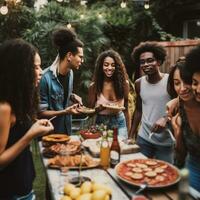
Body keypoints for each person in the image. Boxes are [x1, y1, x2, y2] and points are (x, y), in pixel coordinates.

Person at [0, 38, 54, 199]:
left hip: (24, 187)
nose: (41, 71)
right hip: (10, 192)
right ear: (19, 70)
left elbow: (15, 131)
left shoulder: (17, 100)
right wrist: (31, 134)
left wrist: (35, 124)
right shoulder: (4, 107)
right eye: (35, 67)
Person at [129, 41, 174, 163]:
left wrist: (166, 119)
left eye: (150, 60)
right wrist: (131, 135)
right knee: (139, 171)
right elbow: (138, 109)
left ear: (158, 61)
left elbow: (180, 106)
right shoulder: (139, 83)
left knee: (165, 177)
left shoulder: (170, 81)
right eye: (142, 62)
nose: (146, 64)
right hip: (144, 138)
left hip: (166, 141)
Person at [39, 27, 84, 135]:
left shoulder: (70, 73)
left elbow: (61, 96)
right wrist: (65, 112)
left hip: (66, 131)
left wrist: (72, 96)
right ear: (69, 56)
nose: (82, 61)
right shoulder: (45, 78)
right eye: (80, 57)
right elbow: (40, 113)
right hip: (50, 135)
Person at [88, 49, 130, 139]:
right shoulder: (94, 86)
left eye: (113, 65)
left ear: (117, 67)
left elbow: (126, 109)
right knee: (102, 149)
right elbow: (90, 113)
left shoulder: (124, 84)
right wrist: (99, 109)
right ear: (101, 66)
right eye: (106, 65)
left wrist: (129, 133)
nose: (110, 68)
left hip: (120, 121)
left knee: (120, 149)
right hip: (101, 123)